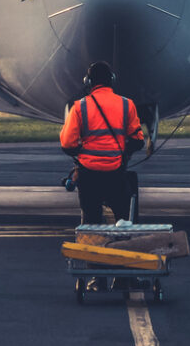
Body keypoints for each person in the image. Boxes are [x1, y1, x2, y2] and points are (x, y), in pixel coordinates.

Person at [59, 61, 145, 224]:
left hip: (89, 175)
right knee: (123, 222)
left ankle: (93, 247)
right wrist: (123, 154)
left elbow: (67, 144)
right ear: (111, 79)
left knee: (91, 221)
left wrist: (83, 152)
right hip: (116, 173)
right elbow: (138, 141)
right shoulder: (127, 105)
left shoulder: (79, 107)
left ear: (88, 82)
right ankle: (122, 246)